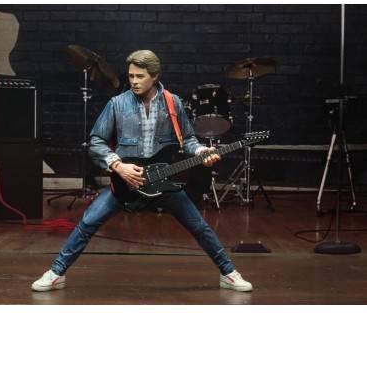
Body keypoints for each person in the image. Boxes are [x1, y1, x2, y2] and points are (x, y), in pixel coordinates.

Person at [32, 50, 253, 293]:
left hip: (161, 181)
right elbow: (96, 141)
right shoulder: (117, 104)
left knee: (199, 227)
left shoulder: (173, 103)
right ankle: (56, 273)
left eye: (140, 76)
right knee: (87, 223)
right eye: (131, 76)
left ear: (155, 76)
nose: (134, 81)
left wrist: (201, 151)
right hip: (126, 182)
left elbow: (188, 139)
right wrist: (118, 165)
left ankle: (228, 273)